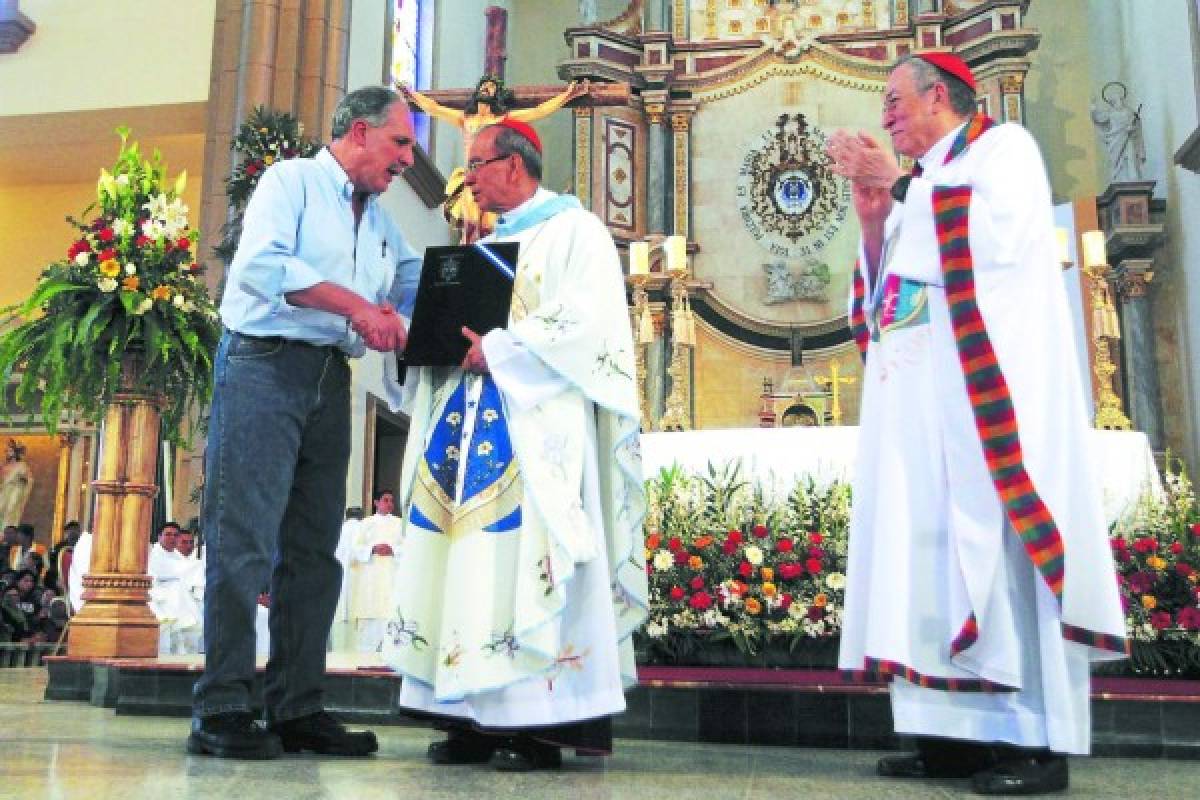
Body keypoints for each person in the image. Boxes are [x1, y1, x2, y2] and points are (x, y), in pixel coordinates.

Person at [826, 53, 1127, 795]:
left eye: (895, 101)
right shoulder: (923, 183)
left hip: (984, 408)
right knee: (923, 561)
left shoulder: (1005, 151)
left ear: (939, 96)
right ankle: (949, 737)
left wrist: (895, 186)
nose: (887, 115)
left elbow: (989, 245)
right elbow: (888, 300)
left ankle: (1033, 743)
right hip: (916, 412)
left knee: (997, 559)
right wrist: (873, 225)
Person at [382, 119, 647, 771]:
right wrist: (429, 337)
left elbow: (588, 324)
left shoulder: (575, 231)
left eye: (476, 163)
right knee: (465, 563)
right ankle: (468, 714)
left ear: (515, 164)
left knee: (525, 560)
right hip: (469, 431)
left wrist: (497, 349)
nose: (467, 177)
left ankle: (537, 724)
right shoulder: (484, 241)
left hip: (539, 430)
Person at [188, 85, 422, 761]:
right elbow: (261, 267)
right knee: (245, 539)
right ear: (356, 132)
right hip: (263, 363)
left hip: (327, 378)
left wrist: (465, 307)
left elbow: (416, 282)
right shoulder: (290, 181)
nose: (407, 158)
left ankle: (297, 706)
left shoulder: (380, 223)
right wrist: (359, 307)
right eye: (400, 142)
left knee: (316, 549)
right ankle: (224, 704)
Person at [398, 74, 589, 243]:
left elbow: (539, 110)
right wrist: (411, 94)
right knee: (471, 224)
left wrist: (568, 95)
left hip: (492, 178)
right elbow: (434, 108)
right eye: (484, 86)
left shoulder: (502, 121)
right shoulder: (466, 119)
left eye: (491, 87)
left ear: (496, 95)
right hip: (471, 178)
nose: (486, 89)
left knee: (489, 225)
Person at [347, 490, 404, 653]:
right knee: (369, 633)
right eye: (386, 500)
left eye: (391, 501)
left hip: (391, 578)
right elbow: (354, 550)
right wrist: (372, 549)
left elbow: (408, 547)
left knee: (391, 618)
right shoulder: (365, 524)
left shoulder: (400, 524)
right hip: (369, 581)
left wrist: (392, 549)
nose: (390, 504)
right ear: (376, 503)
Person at [1090, 82, 1145, 183]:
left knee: (1131, 156)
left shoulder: (1130, 112)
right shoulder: (1110, 113)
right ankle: (1120, 179)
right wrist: (1093, 107)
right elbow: (1098, 118)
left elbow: (1137, 128)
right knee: (1119, 162)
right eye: (1113, 101)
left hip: (1129, 139)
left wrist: (1132, 128)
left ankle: (1134, 178)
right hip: (1116, 141)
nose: (1116, 102)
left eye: (1117, 99)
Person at [0, 439, 34, 531]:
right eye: (6, 451)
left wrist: (21, 485)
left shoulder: (21, 466)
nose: (7, 453)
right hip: (3, 494)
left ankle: (5, 533)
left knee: (9, 514)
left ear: (15, 452)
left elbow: (29, 480)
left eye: (10, 450)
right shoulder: (3, 466)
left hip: (14, 495)